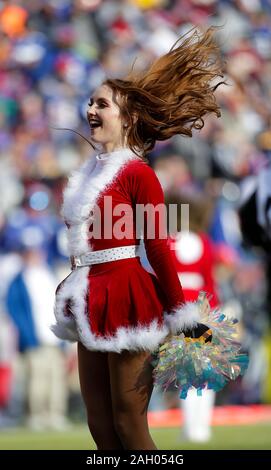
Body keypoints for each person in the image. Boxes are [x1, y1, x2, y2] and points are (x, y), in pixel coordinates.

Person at [52, 26, 225, 450]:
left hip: (129, 295)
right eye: (90, 102)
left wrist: (182, 316)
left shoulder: (139, 173)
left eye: (102, 104)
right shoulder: (91, 171)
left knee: (129, 425)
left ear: (127, 117)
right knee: (100, 426)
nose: (91, 109)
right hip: (91, 296)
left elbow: (158, 249)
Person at [166, 191, 219, 442]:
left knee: (187, 373)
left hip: (179, 309)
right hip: (201, 308)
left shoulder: (168, 242)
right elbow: (209, 284)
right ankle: (201, 427)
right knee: (203, 371)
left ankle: (192, 429)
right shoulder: (204, 242)